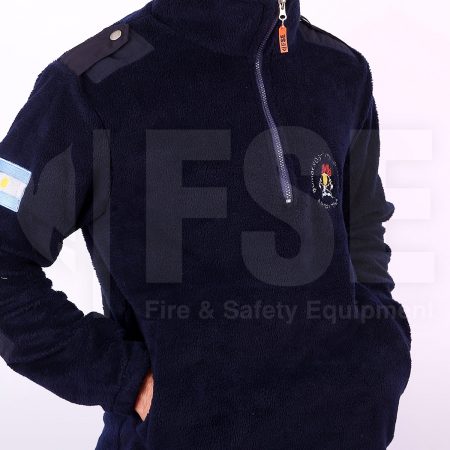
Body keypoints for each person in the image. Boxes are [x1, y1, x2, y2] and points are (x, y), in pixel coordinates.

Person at [0, 1, 412, 448]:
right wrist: (127, 380)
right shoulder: (92, 85)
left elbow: (363, 222)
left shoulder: (341, 70)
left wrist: (380, 347)